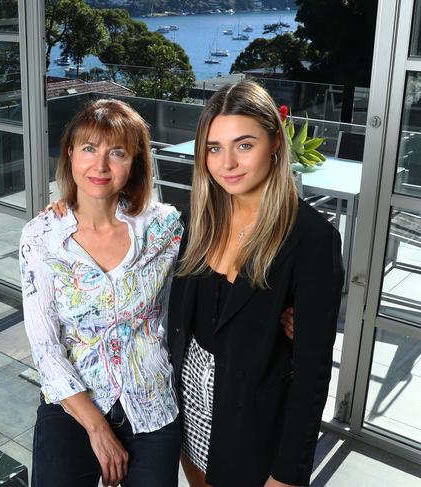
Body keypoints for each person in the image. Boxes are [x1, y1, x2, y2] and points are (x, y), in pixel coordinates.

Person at [167, 79, 344, 487]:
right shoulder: (201, 219)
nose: (227, 162)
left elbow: (313, 373)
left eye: (244, 145)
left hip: (252, 427)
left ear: (275, 146)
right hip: (190, 410)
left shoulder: (311, 239)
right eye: (214, 148)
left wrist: (287, 473)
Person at [19, 99, 184, 487]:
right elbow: (44, 348)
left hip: (152, 404)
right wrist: (96, 427)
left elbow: (215, 282)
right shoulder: (41, 237)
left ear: (135, 163)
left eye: (117, 153)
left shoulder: (165, 228)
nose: (100, 166)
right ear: (70, 154)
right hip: (73, 403)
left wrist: (284, 315)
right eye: (89, 149)